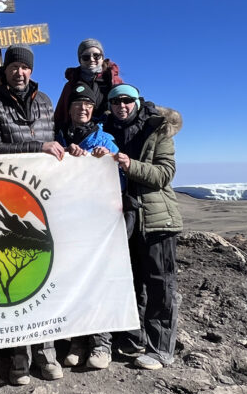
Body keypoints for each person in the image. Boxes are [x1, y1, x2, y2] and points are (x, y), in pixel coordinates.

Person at [0, 43, 65, 385]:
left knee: (43, 275)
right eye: (14, 67)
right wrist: (37, 148)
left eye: (25, 67)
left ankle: (47, 353)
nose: (20, 72)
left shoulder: (44, 101)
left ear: (31, 70)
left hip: (43, 201)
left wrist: (63, 151)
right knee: (12, 278)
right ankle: (18, 357)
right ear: (5, 70)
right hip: (7, 200)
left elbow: (53, 142)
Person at [102, 83, 183, 370]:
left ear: (137, 102)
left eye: (126, 100)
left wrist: (129, 165)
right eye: (115, 101)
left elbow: (164, 174)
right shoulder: (106, 131)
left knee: (160, 283)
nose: (121, 105)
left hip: (155, 218)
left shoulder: (157, 130)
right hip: (124, 218)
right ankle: (135, 339)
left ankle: (161, 349)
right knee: (131, 281)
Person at [54, 82, 121, 371]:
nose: (83, 108)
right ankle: (78, 341)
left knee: (99, 279)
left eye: (88, 105)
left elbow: (120, 175)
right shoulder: (57, 139)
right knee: (74, 281)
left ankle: (101, 343)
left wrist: (105, 160)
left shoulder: (105, 139)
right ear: (68, 109)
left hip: (98, 221)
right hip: (68, 222)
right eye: (77, 104)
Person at [53, 38, 122, 131]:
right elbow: (60, 114)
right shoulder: (71, 84)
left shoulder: (113, 80)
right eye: (86, 57)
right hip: (78, 135)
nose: (91, 59)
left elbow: (127, 103)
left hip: (110, 133)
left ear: (102, 58)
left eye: (96, 56)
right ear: (80, 60)